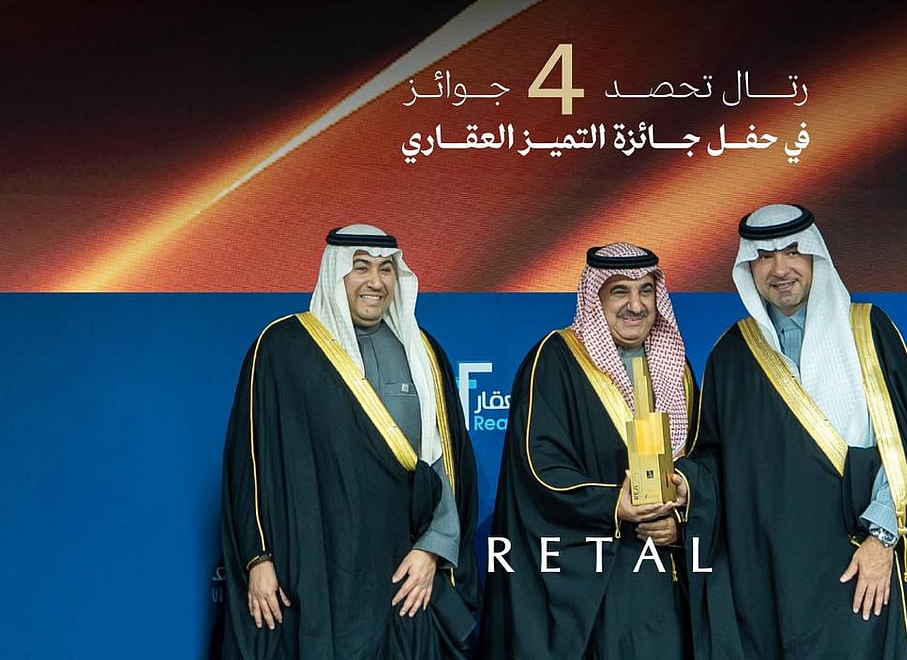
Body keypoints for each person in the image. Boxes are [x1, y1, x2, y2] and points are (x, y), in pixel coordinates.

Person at [690, 204, 907, 659]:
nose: (780, 269)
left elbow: (905, 445)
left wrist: (882, 540)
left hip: (859, 564)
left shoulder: (867, 330)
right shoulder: (731, 355)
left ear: (815, 257)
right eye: (765, 257)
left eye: (792, 252)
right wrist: (681, 485)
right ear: (748, 266)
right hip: (769, 583)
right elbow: (712, 463)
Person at [220, 224, 481, 659]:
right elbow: (248, 464)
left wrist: (433, 550)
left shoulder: (425, 354)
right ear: (335, 271)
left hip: (399, 576)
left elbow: (444, 465)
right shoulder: (282, 348)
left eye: (385, 269)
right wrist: (258, 559)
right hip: (307, 573)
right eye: (361, 267)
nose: (375, 282)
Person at [479, 242, 703, 659]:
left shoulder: (678, 368)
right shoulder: (556, 359)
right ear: (595, 297)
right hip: (591, 578)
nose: (636, 305)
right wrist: (613, 504)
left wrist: (681, 521)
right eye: (620, 291)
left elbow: (701, 461)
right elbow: (538, 467)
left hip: (663, 576)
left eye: (646, 290)